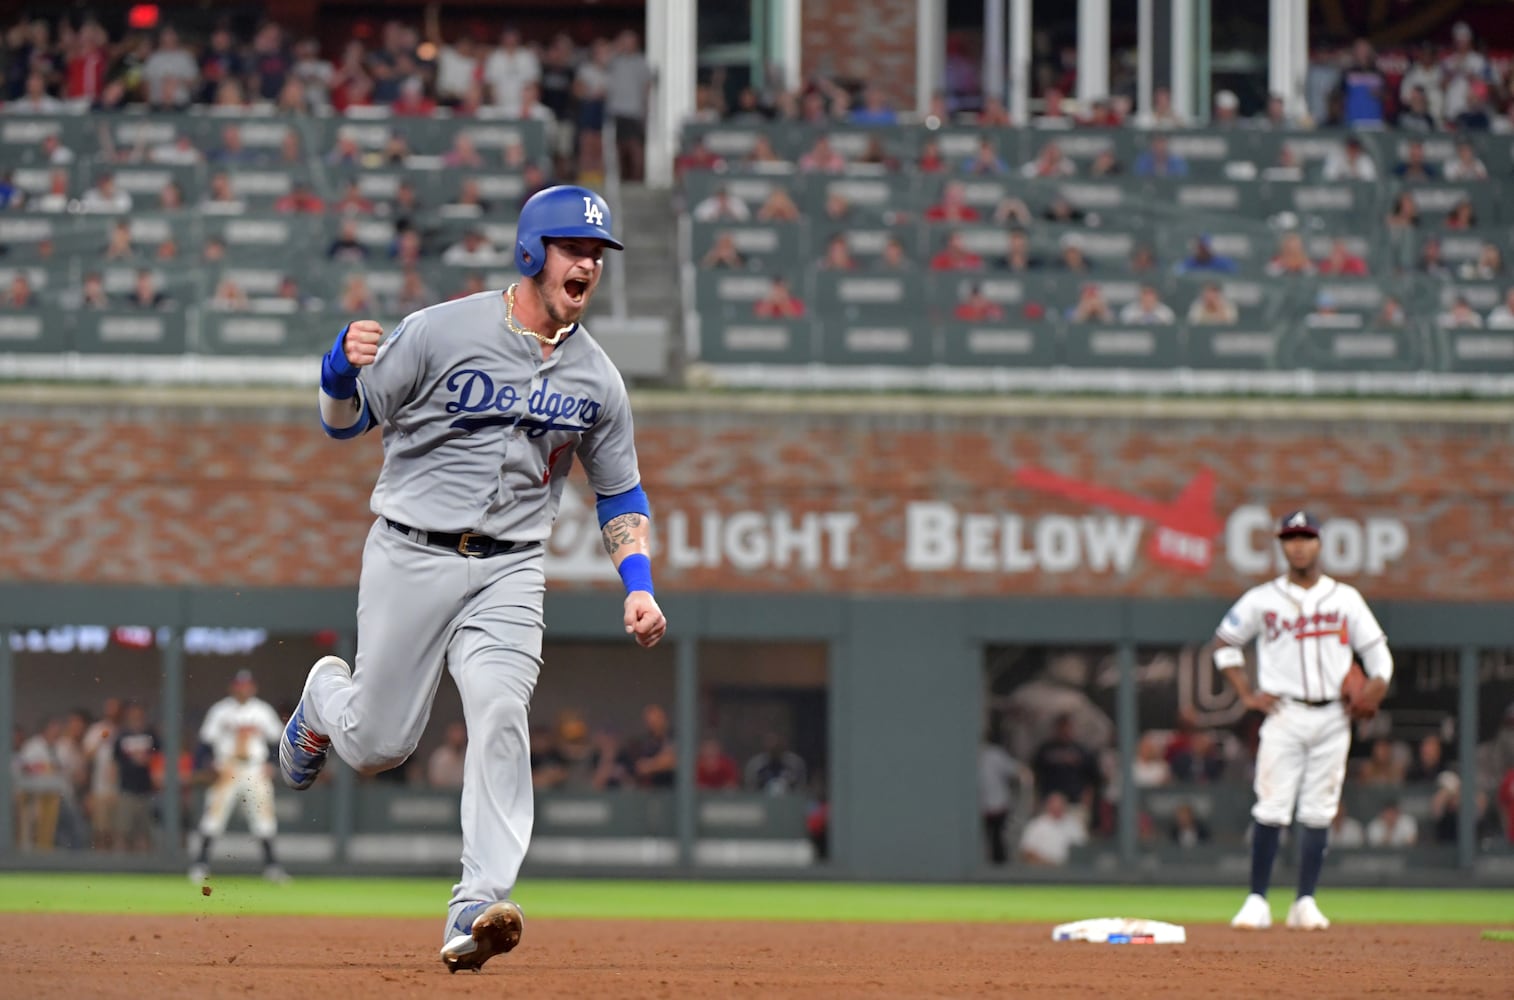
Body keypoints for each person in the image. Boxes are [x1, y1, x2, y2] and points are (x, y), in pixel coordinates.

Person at [280, 184, 666, 973]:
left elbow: (620, 490)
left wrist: (638, 581)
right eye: (574, 249)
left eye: (597, 253)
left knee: (499, 710)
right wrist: (334, 367)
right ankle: (325, 696)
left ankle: (476, 900)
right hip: (409, 552)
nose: (588, 264)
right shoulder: (440, 330)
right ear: (532, 253)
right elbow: (345, 421)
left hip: (512, 569)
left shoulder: (598, 379)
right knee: (381, 744)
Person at [1215, 509, 1393, 931]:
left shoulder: (1345, 598)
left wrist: (1374, 690)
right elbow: (1225, 644)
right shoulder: (1263, 598)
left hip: (1334, 713)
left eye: (1306, 536)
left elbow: (1378, 656)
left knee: (1319, 810)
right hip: (1285, 712)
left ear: (1319, 543)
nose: (1299, 544)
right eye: (1291, 537)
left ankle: (1305, 901)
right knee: (1272, 805)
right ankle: (1257, 900)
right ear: (1281, 545)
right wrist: (1246, 694)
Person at [188, 670, 289, 884]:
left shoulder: (262, 711)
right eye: (239, 685)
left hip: (255, 768)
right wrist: (207, 766)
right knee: (213, 817)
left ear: (253, 687)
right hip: (228, 767)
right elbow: (205, 743)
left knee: (264, 819)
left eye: (247, 685)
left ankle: (272, 867)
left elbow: (279, 740)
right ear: (232, 687)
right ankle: (200, 864)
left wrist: (272, 764)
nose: (243, 689)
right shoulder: (220, 710)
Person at [979, 728, 1024, 865]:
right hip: (995, 805)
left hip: (991, 805)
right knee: (997, 838)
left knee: (993, 838)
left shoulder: (986, 754)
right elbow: (1017, 771)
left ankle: (994, 864)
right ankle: (997, 865)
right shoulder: (995, 754)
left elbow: (1015, 771)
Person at [1017, 791, 1087, 866]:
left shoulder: (1074, 825)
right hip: (1042, 869)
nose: (1057, 810)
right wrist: (1047, 863)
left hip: (1070, 868)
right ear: (1048, 806)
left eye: (1060, 806)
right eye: (1054, 807)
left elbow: (1084, 848)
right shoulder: (1036, 825)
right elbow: (1026, 852)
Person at [428, 721, 467, 788]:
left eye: (460, 733)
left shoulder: (468, 755)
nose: (458, 737)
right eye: (455, 733)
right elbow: (436, 782)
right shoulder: (440, 756)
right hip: (444, 796)